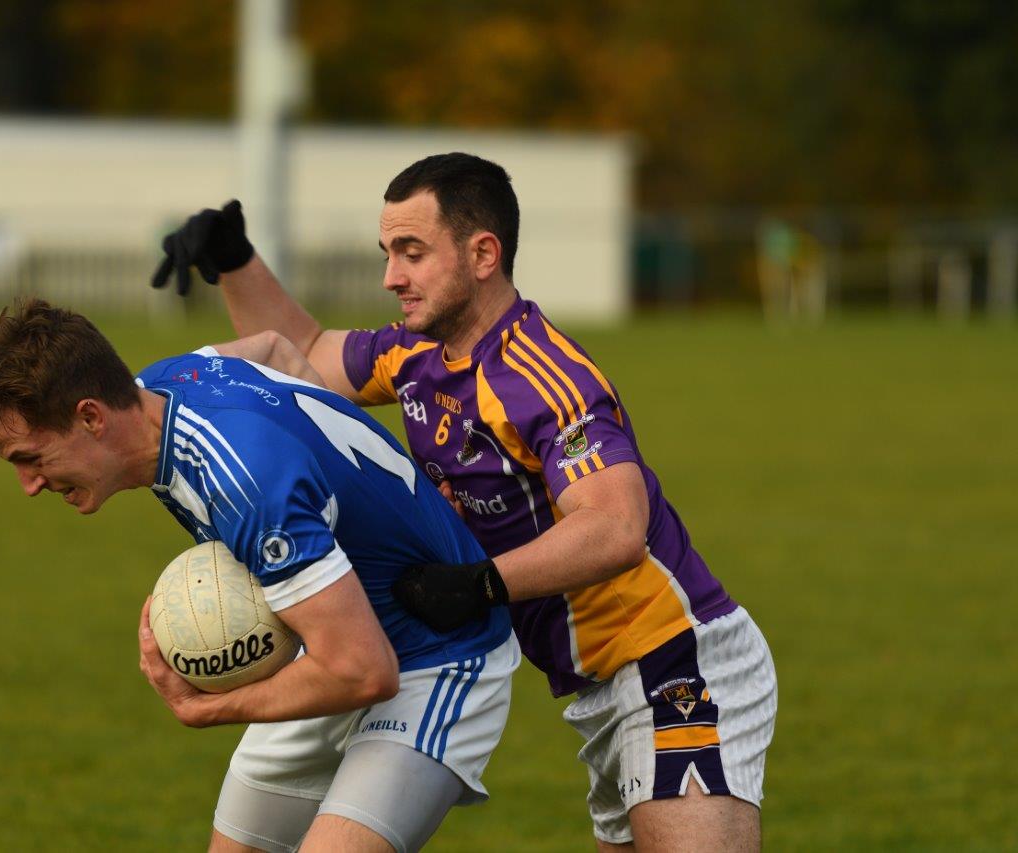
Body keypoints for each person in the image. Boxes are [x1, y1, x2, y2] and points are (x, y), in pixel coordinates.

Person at [151, 152, 777, 851]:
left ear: (483, 253)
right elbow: (301, 352)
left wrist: (478, 585)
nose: (391, 276)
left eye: (412, 253)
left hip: (674, 659)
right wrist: (233, 258)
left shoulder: (542, 376)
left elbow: (616, 524)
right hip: (599, 685)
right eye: (388, 252)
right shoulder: (418, 355)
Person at [0, 298, 520, 853]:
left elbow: (365, 672)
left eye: (30, 458)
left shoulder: (247, 486)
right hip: (329, 637)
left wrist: (205, 708)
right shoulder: (168, 381)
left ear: (90, 416)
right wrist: (363, 490)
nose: (28, 483)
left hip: (437, 658)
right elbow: (272, 347)